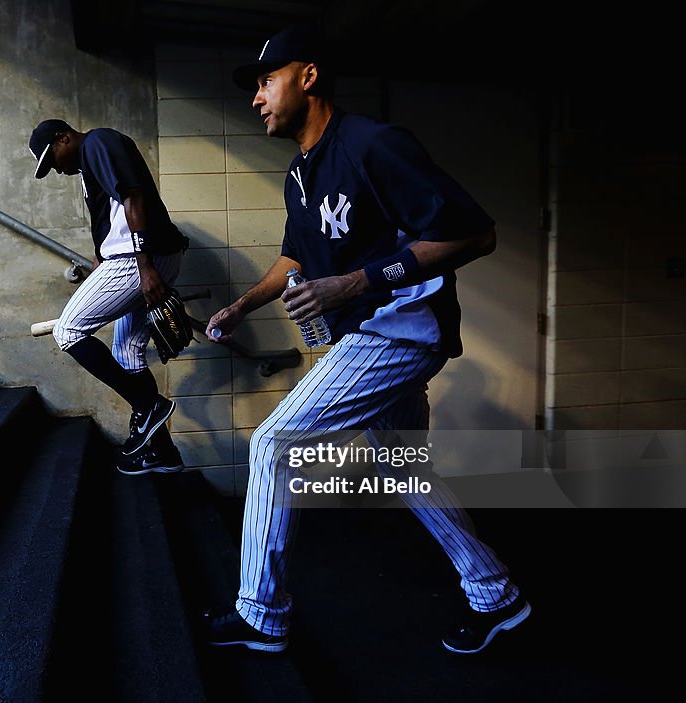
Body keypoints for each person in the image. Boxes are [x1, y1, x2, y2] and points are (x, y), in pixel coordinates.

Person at [202, 27, 530, 655]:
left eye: (267, 80)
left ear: (308, 77)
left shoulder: (374, 144)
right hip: (370, 329)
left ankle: (260, 614)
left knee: (275, 444)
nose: (257, 97)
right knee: (403, 467)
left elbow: (475, 234)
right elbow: (295, 256)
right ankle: (497, 594)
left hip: (401, 328)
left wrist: (351, 283)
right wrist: (244, 305)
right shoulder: (301, 172)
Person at [29, 118, 190, 474]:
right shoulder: (90, 159)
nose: (56, 168)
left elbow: (134, 196)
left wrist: (145, 267)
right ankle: (162, 451)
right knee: (127, 353)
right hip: (140, 256)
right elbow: (111, 213)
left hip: (139, 259)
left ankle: (148, 406)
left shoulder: (98, 142)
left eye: (52, 158)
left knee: (68, 331)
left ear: (64, 137)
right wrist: (101, 253)